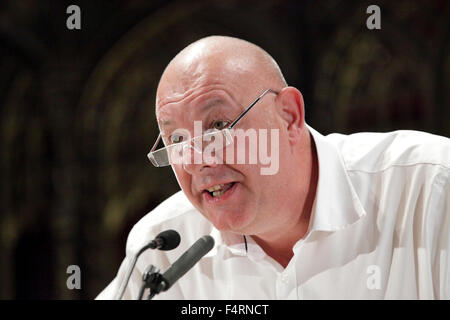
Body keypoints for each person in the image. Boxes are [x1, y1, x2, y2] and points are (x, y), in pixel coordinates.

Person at [97, 36, 449, 299]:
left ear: (290, 116)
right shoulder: (163, 248)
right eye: (176, 141)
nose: (198, 160)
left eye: (218, 126)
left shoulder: (431, 188)